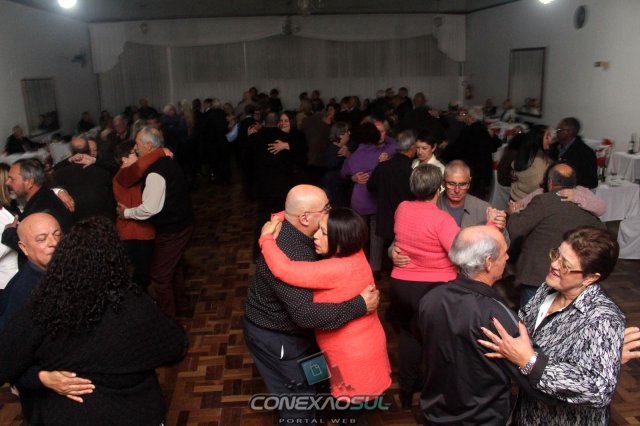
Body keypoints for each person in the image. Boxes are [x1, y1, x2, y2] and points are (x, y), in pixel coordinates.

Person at [0, 217, 187, 426]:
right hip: (134, 412)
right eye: (42, 239)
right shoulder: (132, 302)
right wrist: (41, 377)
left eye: (58, 235)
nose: (54, 243)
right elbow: (175, 348)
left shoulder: (41, 308)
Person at [243, 184, 379, 423]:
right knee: (298, 402)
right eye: (326, 208)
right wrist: (359, 305)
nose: (330, 212)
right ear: (305, 218)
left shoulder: (305, 232)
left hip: (305, 336)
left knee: (319, 383)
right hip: (278, 337)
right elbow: (305, 314)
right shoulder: (289, 252)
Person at [479, 226, 625, 425]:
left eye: (565, 265)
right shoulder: (547, 289)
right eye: (556, 255)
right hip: (528, 411)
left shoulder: (603, 319)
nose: (554, 264)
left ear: (591, 278)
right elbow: (523, 329)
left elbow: (599, 389)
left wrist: (530, 361)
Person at [418, 225, 554, 425]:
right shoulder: (496, 316)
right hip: (482, 418)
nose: (507, 257)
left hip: (436, 414)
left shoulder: (431, 297)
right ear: (489, 262)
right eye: (504, 253)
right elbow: (537, 380)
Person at [389, 164, 460, 408]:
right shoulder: (442, 219)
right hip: (433, 288)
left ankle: (406, 392)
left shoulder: (402, 208)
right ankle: (434, 395)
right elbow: (460, 254)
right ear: (439, 188)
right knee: (436, 342)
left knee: (409, 337)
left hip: (401, 285)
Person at [116, 127, 194, 318]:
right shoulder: (165, 161)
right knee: (174, 269)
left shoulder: (155, 172)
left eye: (138, 144)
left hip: (173, 229)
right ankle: (182, 308)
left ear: (149, 146)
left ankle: (168, 321)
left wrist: (126, 213)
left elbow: (150, 209)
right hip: (182, 223)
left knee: (159, 276)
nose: (135, 148)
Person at [507, 163, 605, 307]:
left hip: (538, 275)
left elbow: (515, 229)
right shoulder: (587, 203)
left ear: (550, 182)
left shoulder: (543, 200)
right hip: (572, 277)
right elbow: (602, 233)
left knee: (531, 318)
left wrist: (513, 214)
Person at [548, 117, 598, 189]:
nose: (556, 132)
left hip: (571, 191)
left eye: (559, 130)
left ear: (568, 132)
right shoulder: (553, 147)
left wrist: (567, 180)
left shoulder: (585, 153)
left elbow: (592, 182)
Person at [510, 125, 552, 201]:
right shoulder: (539, 161)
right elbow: (537, 185)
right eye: (547, 137)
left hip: (515, 196)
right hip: (528, 202)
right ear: (538, 140)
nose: (550, 139)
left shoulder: (524, 152)